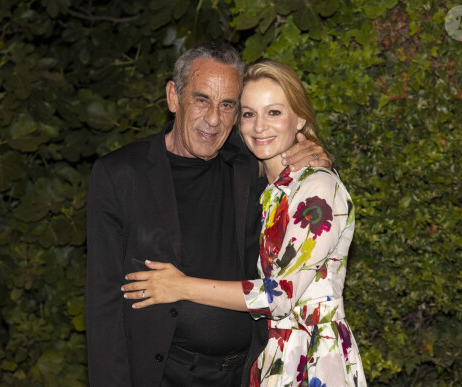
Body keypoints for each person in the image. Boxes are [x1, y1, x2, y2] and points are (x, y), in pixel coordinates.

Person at [86, 43, 331, 387]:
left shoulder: (249, 164)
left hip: (246, 373)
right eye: (202, 99)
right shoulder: (121, 174)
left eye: (227, 104)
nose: (214, 118)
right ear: (174, 97)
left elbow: (289, 151)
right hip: (161, 375)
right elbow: (104, 302)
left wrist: (314, 152)